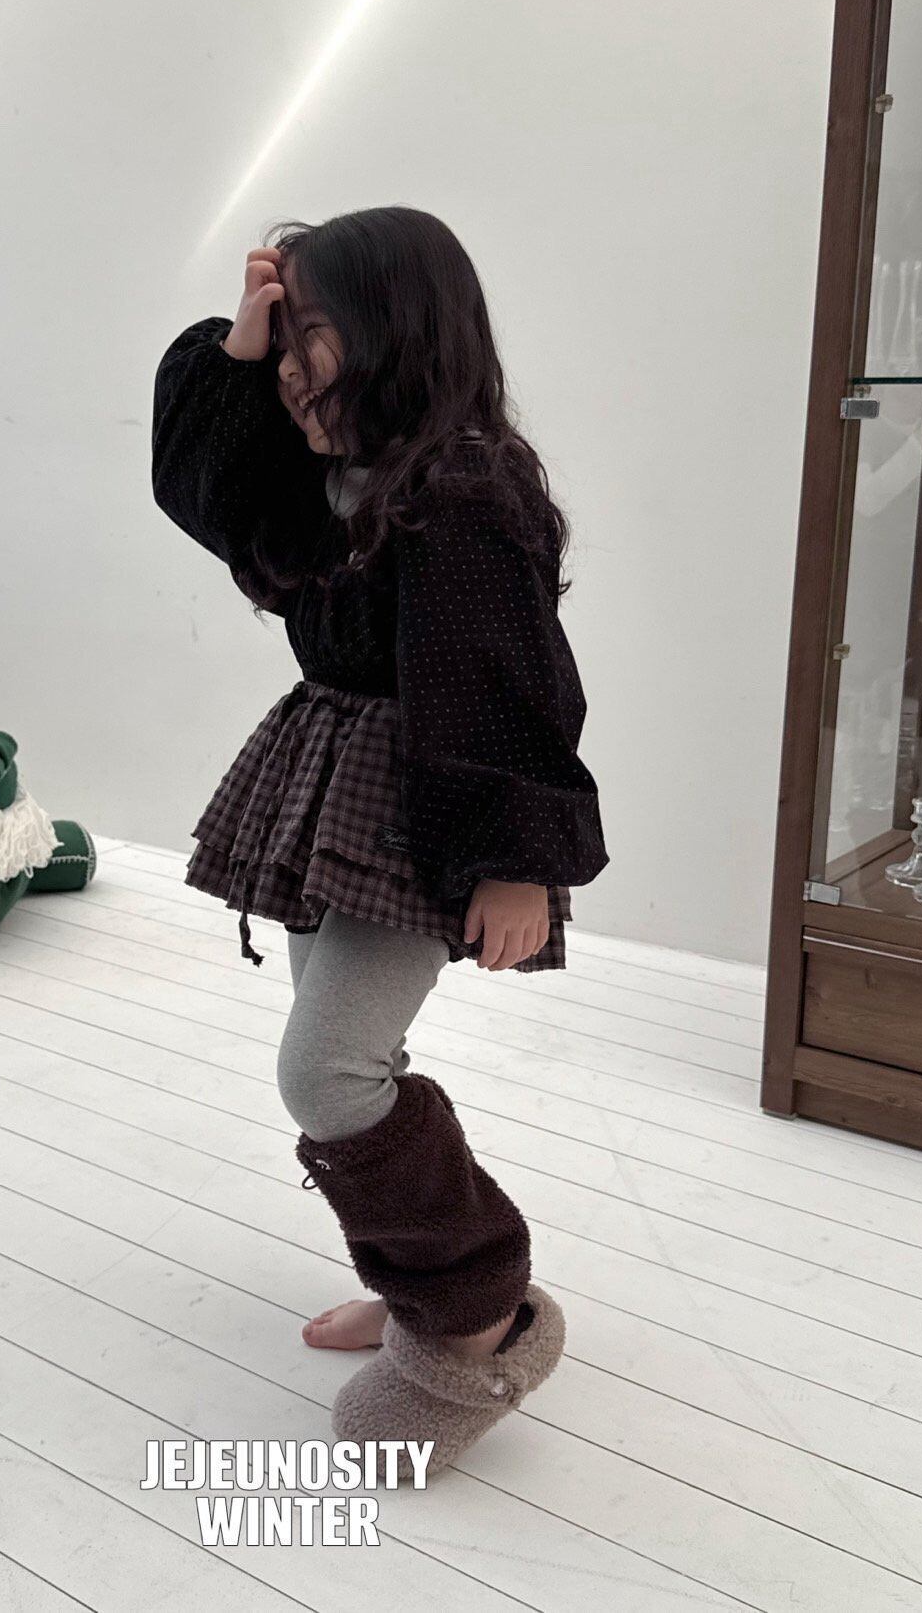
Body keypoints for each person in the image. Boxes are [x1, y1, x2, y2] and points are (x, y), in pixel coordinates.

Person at [150, 207, 609, 1480]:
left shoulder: (462, 489)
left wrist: (515, 861)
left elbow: (512, 679)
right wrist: (239, 344)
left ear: (395, 327)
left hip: (431, 802)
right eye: (284, 333)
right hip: (343, 784)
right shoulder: (347, 471)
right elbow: (210, 495)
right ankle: (418, 1290)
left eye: (311, 331)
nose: (290, 364)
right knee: (352, 1054)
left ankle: (473, 1314)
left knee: (328, 1072)